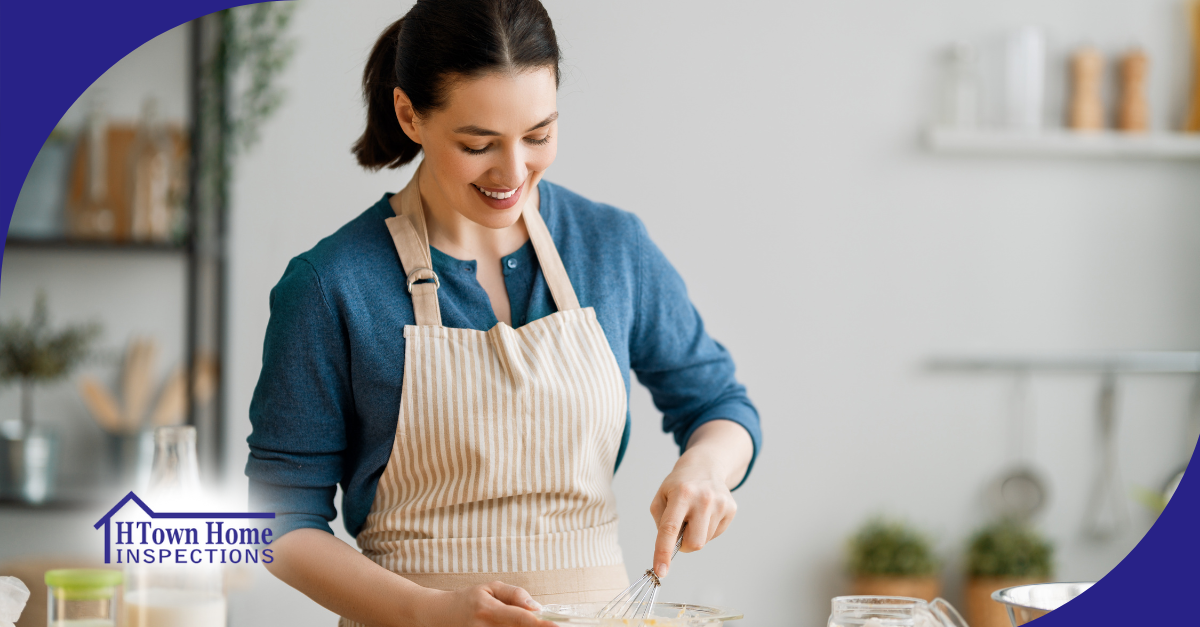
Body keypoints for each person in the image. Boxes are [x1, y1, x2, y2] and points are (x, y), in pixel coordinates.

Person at [245, 1, 761, 625]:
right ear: (409, 114)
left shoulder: (612, 247)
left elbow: (719, 405)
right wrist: (427, 611)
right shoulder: (331, 284)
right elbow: (277, 522)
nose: (514, 172)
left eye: (539, 135)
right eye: (478, 144)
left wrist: (706, 468)